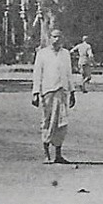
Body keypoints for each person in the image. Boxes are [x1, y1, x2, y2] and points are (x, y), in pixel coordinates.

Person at [31, 29, 77, 164]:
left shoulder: (65, 54)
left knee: (61, 123)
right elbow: (37, 74)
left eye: (59, 37)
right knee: (48, 121)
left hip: (62, 91)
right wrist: (35, 93)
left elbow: (69, 74)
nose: (56, 39)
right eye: (54, 37)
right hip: (48, 92)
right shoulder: (42, 54)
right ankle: (47, 155)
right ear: (49, 38)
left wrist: (72, 92)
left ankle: (58, 154)